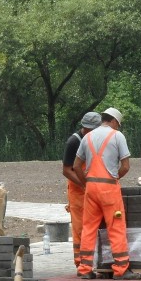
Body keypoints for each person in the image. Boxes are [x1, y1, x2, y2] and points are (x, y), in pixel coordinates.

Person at [72, 107, 139, 280]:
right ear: (115, 121)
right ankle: (121, 268)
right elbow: (125, 166)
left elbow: (76, 165)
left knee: (88, 227)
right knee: (116, 227)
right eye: (119, 124)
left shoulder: (87, 137)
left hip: (91, 189)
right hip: (109, 189)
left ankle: (85, 268)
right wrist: (115, 177)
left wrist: (85, 182)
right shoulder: (117, 136)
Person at [62, 111, 102, 270]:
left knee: (96, 225)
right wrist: (84, 185)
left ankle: (96, 259)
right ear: (84, 127)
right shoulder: (74, 142)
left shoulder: (97, 139)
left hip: (94, 187)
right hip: (78, 190)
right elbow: (66, 170)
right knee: (80, 227)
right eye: (88, 130)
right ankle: (81, 263)